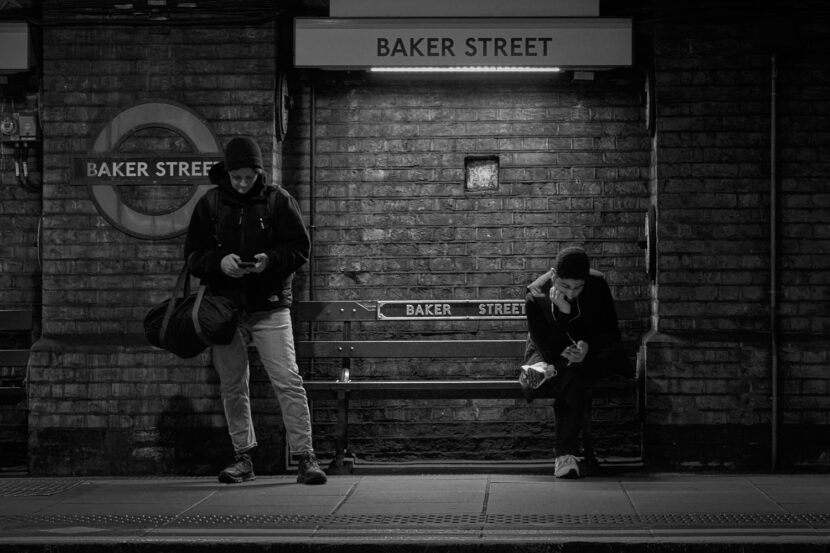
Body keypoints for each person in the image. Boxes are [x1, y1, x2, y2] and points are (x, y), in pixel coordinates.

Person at [184, 136, 327, 485]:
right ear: (228, 173)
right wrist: (221, 262)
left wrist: (271, 261)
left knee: (288, 380)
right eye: (237, 178)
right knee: (233, 384)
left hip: (270, 305)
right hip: (224, 308)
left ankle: (305, 457)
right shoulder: (211, 203)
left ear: (259, 172)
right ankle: (243, 457)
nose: (244, 184)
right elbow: (192, 256)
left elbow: (299, 249)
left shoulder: (279, 200)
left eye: (249, 177)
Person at [521, 246, 633, 479]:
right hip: (550, 356)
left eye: (578, 288)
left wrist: (588, 347)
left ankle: (567, 454)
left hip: (588, 356)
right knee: (566, 373)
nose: (571, 294)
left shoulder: (597, 284)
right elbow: (549, 350)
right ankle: (566, 455)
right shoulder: (535, 295)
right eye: (565, 287)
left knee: (574, 372)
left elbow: (611, 332)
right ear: (553, 276)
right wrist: (563, 313)